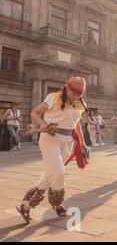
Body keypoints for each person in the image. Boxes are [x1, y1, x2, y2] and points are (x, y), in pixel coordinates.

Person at [16, 77, 88, 223]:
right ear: (67, 88)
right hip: (50, 140)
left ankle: (26, 205)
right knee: (59, 173)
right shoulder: (53, 98)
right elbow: (35, 112)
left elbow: (77, 123)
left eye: (79, 93)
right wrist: (42, 123)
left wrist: (82, 143)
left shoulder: (80, 103)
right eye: (74, 93)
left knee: (50, 175)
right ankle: (57, 204)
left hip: (67, 142)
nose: (76, 96)